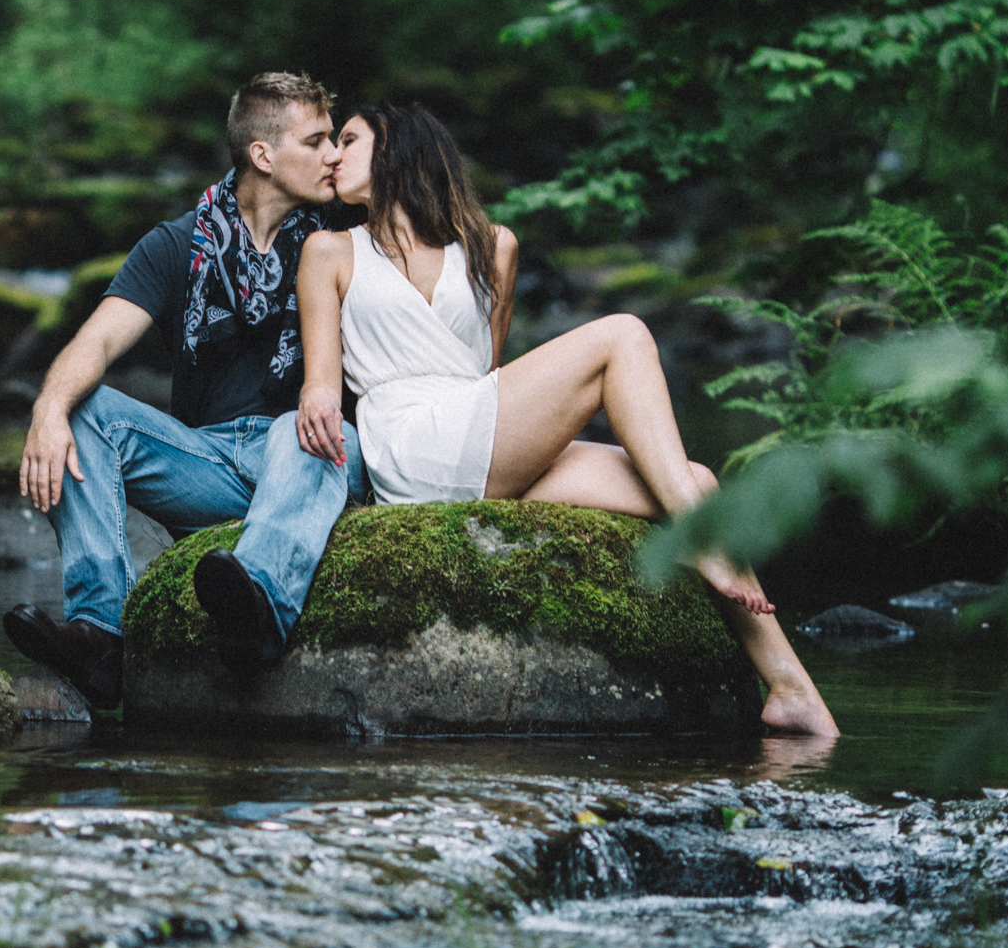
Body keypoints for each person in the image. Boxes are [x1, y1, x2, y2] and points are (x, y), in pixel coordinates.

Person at [293, 101, 839, 738]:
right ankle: (701, 544)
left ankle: (792, 690)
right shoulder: (328, 250)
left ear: (394, 150)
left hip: (481, 428)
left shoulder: (492, 246)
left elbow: (486, 371)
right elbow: (323, 383)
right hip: (413, 441)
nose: (331, 155)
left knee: (699, 480)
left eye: (348, 140)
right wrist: (316, 401)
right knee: (624, 335)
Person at [6, 71, 370, 708]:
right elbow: (95, 343)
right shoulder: (176, 246)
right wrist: (48, 410)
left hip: (311, 454)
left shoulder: (344, 233)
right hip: (207, 465)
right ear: (262, 154)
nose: (332, 155)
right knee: (84, 407)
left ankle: (256, 605)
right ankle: (99, 634)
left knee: (307, 428)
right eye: (315, 142)